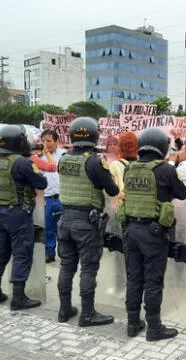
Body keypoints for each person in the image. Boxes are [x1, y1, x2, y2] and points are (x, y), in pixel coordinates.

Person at [117, 127, 186, 341]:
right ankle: (154, 328)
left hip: (131, 230)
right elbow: (183, 193)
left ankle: (132, 323)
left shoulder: (130, 168)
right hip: (154, 233)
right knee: (153, 280)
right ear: (163, 147)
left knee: (134, 278)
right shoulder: (165, 170)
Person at [56, 117, 120, 325]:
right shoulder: (94, 161)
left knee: (66, 266)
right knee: (88, 268)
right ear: (94, 136)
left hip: (65, 219)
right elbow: (112, 190)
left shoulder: (63, 158)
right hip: (86, 222)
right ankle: (88, 314)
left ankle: (64, 310)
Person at [0, 125, 48, 310]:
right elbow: (41, 183)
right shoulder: (22, 163)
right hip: (18, 214)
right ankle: (18, 298)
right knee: (22, 254)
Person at [40, 129, 65, 263]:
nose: (45, 144)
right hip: (47, 198)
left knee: (63, 228)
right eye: (43, 141)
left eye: (49, 141)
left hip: (62, 198)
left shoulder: (63, 155)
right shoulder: (38, 157)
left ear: (56, 142)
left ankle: (63, 253)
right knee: (48, 228)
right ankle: (49, 253)